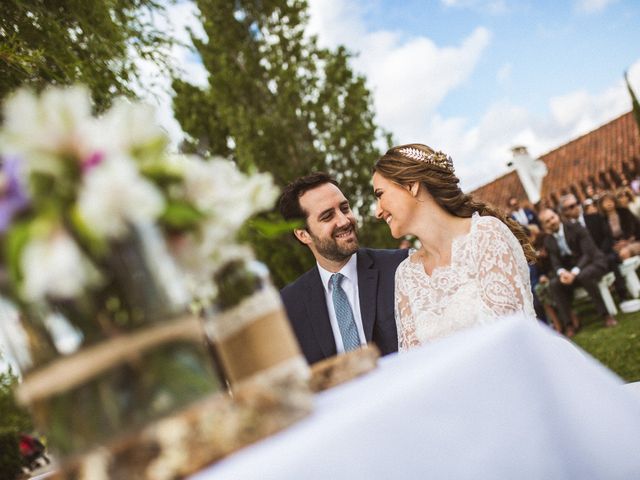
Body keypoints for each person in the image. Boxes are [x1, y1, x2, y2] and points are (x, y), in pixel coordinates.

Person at [372, 144, 536, 351]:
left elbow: (512, 335)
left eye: (380, 194)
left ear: (411, 185)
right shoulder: (406, 274)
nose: (378, 211)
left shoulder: (485, 235)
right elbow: (413, 360)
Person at [279, 172, 408, 364]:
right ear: (303, 235)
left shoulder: (401, 267)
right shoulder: (288, 305)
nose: (344, 221)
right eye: (327, 216)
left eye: (345, 208)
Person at [538, 208, 617, 335]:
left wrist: (573, 273)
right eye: (547, 221)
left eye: (552, 217)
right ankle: (569, 324)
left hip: (594, 262)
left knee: (584, 275)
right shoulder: (548, 240)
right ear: (544, 226)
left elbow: (587, 253)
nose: (551, 222)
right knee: (554, 284)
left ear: (557, 216)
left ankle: (606, 316)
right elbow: (555, 262)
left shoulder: (576, 227)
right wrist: (562, 273)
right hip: (572, 272)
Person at [558, 193, 627, 299]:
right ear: (565, 211)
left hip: (604, 253)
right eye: (571, 206)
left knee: (611, 259)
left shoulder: (595, 217)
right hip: (585, 261)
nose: (576, 207)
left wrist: (599, 253)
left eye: (577, 203)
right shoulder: (567, 230)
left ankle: (622, 293)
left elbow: (607, 237)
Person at [598, 191, 640, 260]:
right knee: (609, 258)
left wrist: (626, 241)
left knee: (624, 253)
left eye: (610, 201)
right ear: (601, 205)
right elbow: (607, 237)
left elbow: (633, 229)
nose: (609, 203)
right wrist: (614, 244)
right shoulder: (602, 219)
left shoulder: (624, 212)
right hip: (617, 245)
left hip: (634, 240)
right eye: (605, 202)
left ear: (614, 201)